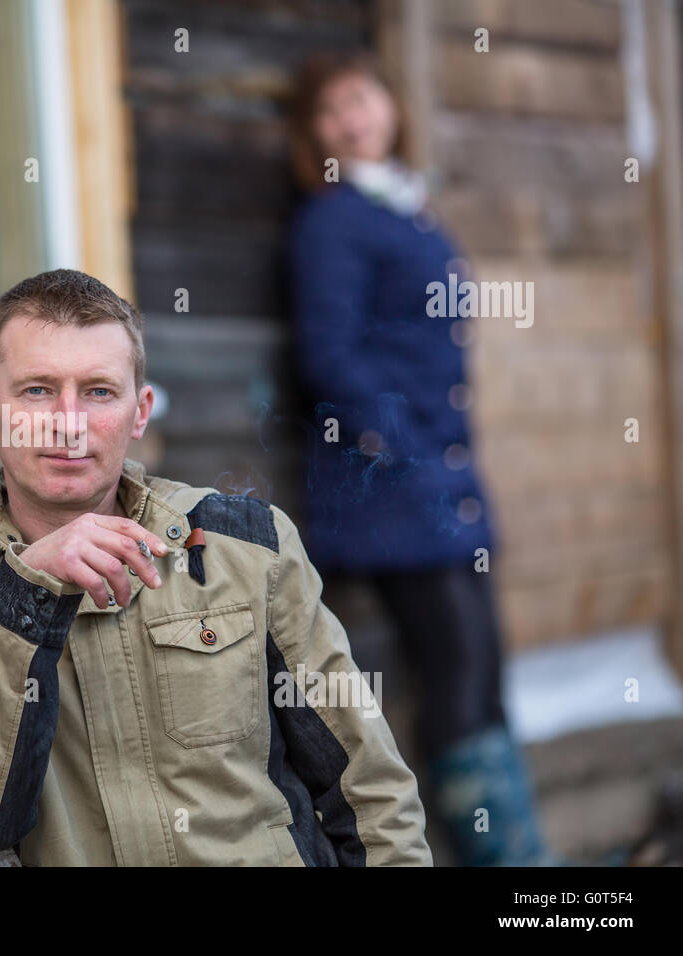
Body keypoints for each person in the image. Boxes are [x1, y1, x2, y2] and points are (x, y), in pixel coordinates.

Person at [0, 268, 431, 865]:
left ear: (140, 412)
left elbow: (370, 787)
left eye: (99, 392)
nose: (69, 422)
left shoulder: (245, 548)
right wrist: (25, 595)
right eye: (37, 390)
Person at [285, 52, 553, 865]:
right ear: (314, 135)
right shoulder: (333, 220)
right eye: (330, 111)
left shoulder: (409, 212)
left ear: (391, 105)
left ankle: (527, 860)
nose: (352, 119)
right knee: (459, 671)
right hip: (396, 487)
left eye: (362, 98)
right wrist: (396, 444)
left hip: (448, 479)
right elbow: (328, 355)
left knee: (486, 666)